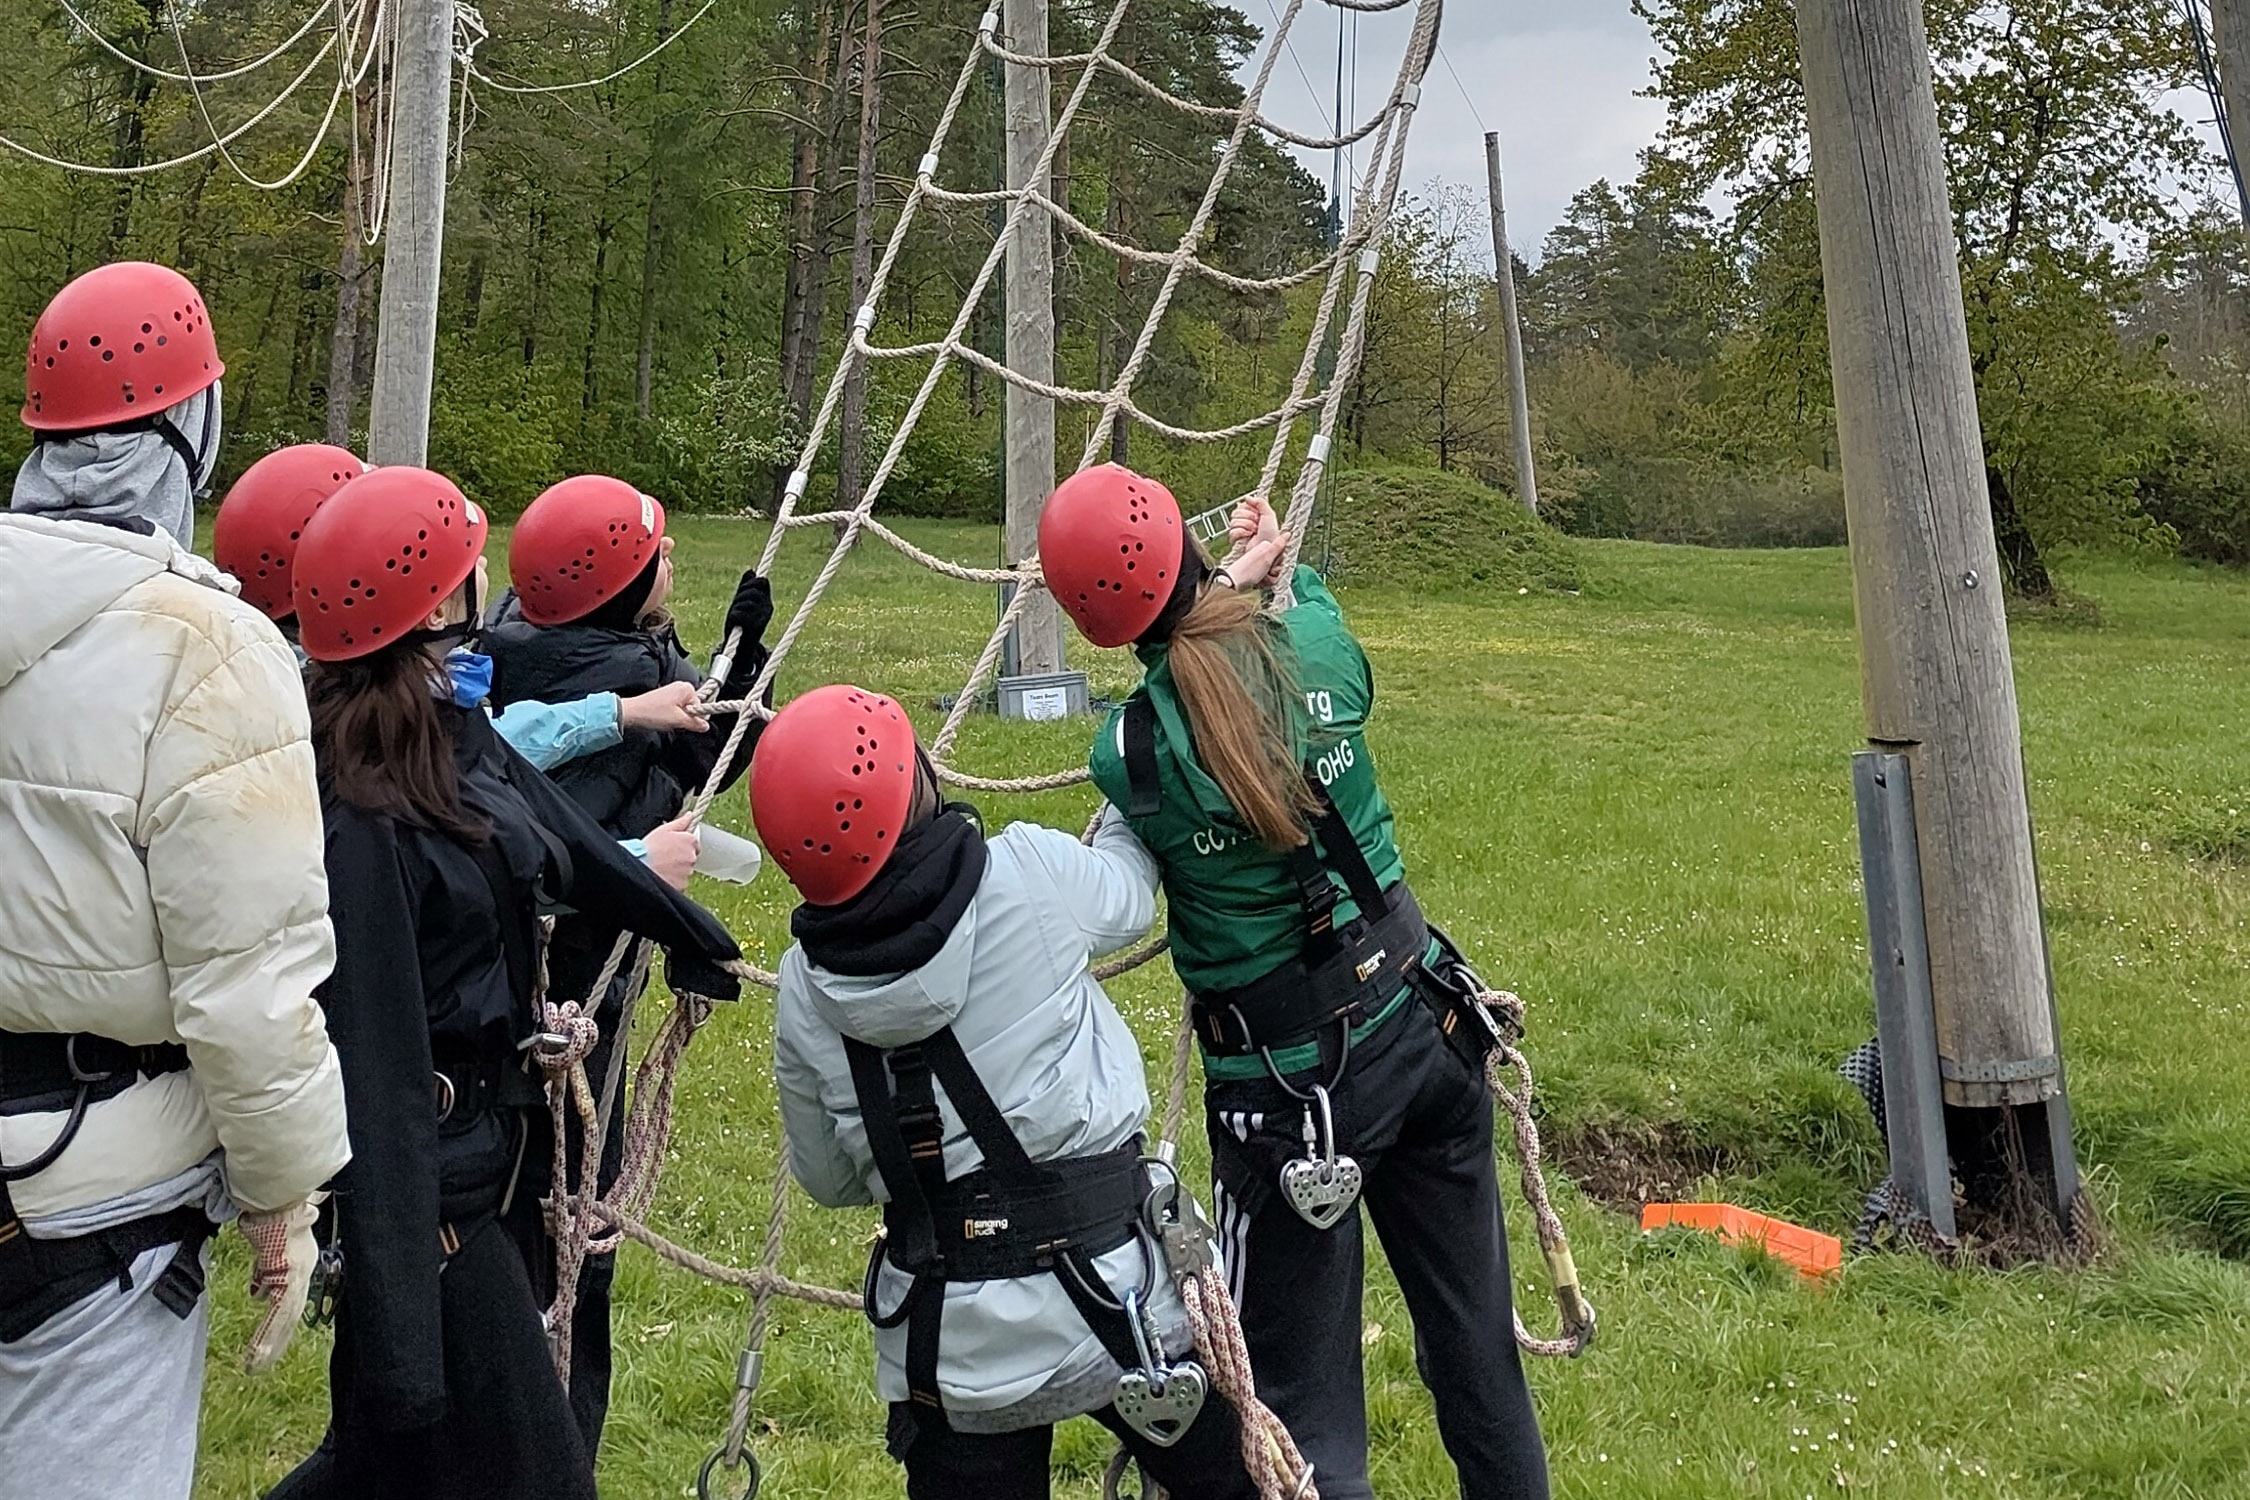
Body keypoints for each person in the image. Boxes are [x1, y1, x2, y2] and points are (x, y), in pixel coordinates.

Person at [1042, 464, 1554, 1500]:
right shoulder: (1313, 638)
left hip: (1287, 1095)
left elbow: (1195, 679)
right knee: (1478, 1357)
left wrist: (1221, 585)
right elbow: (1280, 636)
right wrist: (1267, 564)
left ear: (1094, 625)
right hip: (1420, 1022)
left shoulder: (1131, 752)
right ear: (1188, 551)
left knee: (1299, 1419)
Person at [266, 466, 745, 1500]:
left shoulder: (448, 731)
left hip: (495, 1162)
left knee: (385, 1473)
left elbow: (563, 838)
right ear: (438, 604)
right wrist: (400, 1338)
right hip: (438, 1207)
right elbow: (380, 1070)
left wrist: (692, 933)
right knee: (504, 1471)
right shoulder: (364, 817)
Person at [0, 261, 350, 1497]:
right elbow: (248, 983)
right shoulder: (208, 649)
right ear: (192, 431)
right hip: (94, 1201)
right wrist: (285, 1194)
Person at [755, 684, 1260, 1500]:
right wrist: (1130, 788)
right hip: (1121, 1296)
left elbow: (829, 1179)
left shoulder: (803, 991)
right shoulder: (1026, 873)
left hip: (950, 1349)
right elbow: (1130, 892)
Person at [481, 472, 774, 1448]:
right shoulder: (595, 679)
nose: (673, 554)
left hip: (557, 998)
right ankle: (554, 1441)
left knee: (550, 1226)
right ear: (611, 586)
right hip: (563, 1006)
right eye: (654, 551)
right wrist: (644, 864)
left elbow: (704, 742)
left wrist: (742, 659)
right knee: (566, 1235)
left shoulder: (535, 642)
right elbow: (535, 852)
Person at [213, 445, 714, 791]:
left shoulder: (318, 693)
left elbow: (491, 739)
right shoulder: (385, 729)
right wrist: (640, 859)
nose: (484, 564)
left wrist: (621, 711)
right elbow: (494, 789)